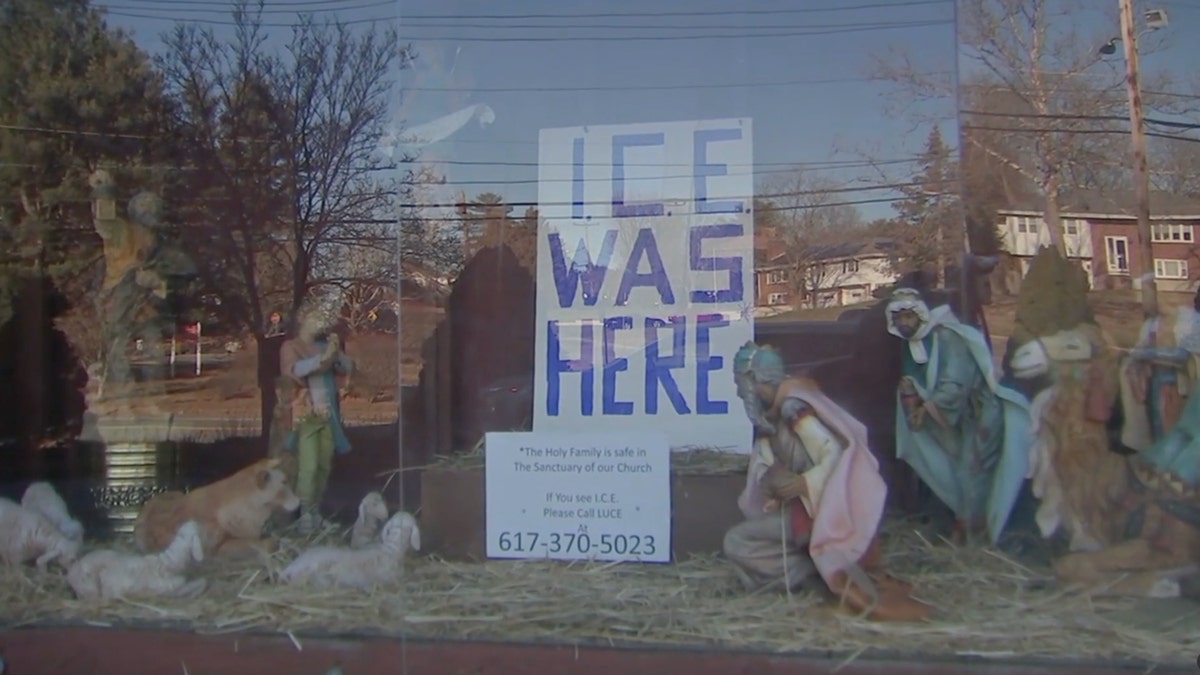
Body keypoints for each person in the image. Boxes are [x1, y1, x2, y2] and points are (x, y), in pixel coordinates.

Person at [723, 341, 929, 622]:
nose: (737, 390)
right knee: (750, 541)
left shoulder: (793, 408)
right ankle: (817, 573)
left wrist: (802, 483)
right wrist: (772, 478)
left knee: (738, 541)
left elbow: (832, 453)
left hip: (818, 508)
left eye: (740, 382)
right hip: (800, 507)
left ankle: (821, 576)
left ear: (754, 380)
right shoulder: (771, 414)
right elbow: (770, 462)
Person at [885, 287, 1033, 545]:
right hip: (958, 418)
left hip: (981, 412)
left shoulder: (947, 338)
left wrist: (925, 409)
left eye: (909, 317)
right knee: (959, 471)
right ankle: (966, 527)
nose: (904, 323)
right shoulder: (912, 345)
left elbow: (955, 384)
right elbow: (916, 380)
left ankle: (976, 535)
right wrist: (910, 392)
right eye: (899, 318)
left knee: (972, 469)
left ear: (921, 316)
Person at [279, 306, 354, 533]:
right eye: (314, 320)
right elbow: (293, 370)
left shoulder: (324, 347)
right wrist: (323, 359)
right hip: (306, 417)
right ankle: (303, 515)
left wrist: (335, 352)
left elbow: (347, 367)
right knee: (308, 468)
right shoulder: (291, 347)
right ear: (302, 322)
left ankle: (314, 511)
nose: (318, 325)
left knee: (323, 467)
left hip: (327, 416)